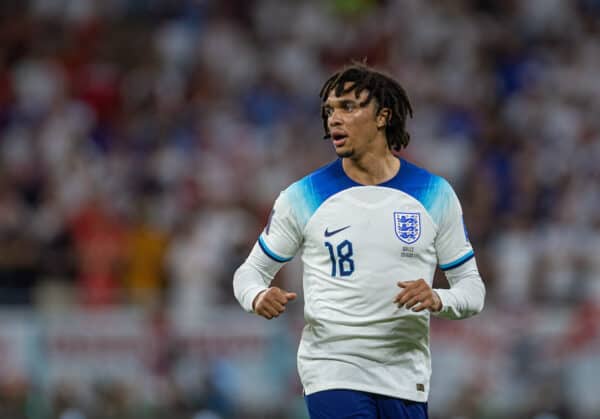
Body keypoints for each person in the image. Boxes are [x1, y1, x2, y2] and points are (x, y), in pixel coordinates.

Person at [233, 63, 486, 419]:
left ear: (382, 116)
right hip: (332, 369)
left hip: (405, 376)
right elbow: (249, 273)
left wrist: (438, 297)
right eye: (329, 110)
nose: (334, 118)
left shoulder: (435, 194)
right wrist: (257, 295)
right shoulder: (302, 197)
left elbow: (473, 290)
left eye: (348, 107)